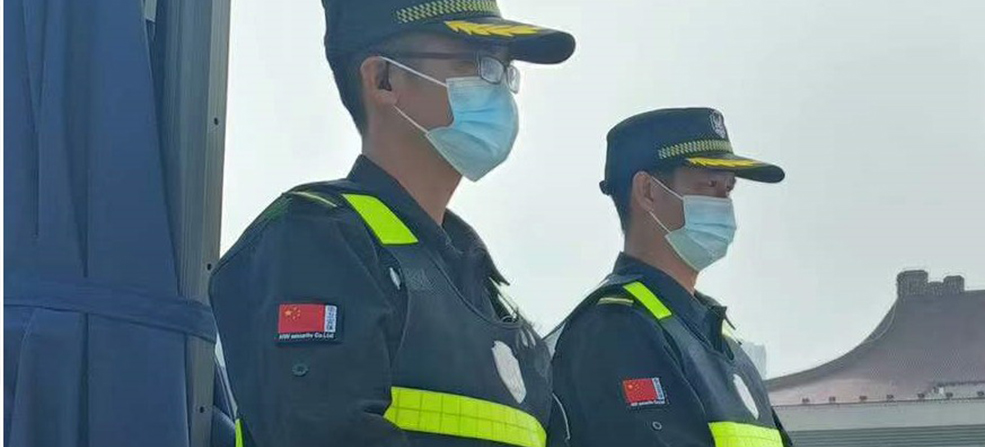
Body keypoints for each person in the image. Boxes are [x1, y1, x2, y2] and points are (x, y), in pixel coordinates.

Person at [208, 0, 573, 445]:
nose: (499, 90)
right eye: (475, 62)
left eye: (504, 69)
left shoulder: (488, 296)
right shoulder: (316, 240)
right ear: (383, 79)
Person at [547, 108, 791, 447]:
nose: (724, 204)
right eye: (710, 185)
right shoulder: (619, 331)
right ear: (648, 191)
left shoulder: (720, 341)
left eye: (728, 189)